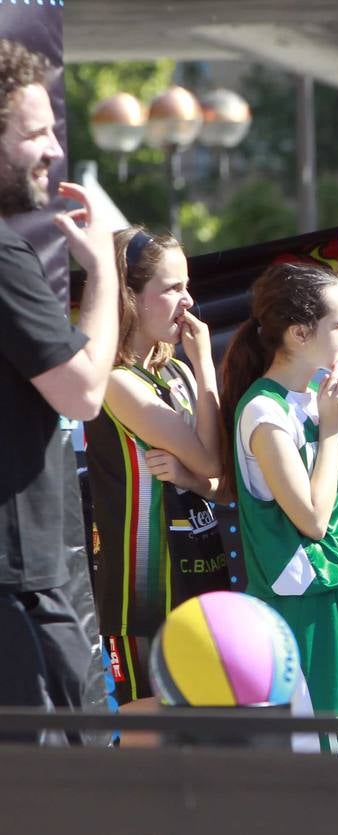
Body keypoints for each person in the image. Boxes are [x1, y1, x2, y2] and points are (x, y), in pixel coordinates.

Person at [0, 39, 118, 728]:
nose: (52, 150)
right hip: (16, 585)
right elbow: (83, 393)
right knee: (51, 809)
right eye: (34, 132)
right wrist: (101, 270)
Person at [218, 263, 338, 754]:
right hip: (296, 606)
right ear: (300, 332)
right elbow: (311, 519)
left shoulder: (315, 398)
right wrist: (329, 431)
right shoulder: (265, 410)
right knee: (317, 750)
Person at [87, 228, 227, 706]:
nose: (187, 301)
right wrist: (207, 365)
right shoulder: (117, 380)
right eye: (171, 288)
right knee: (153, 722)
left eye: (187, 286)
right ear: (129, 297)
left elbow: (216, 474)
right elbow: (208, 456)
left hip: (202, 566)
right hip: (142, 587)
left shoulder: (178, 370)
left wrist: (191, 478)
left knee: (207, 713)